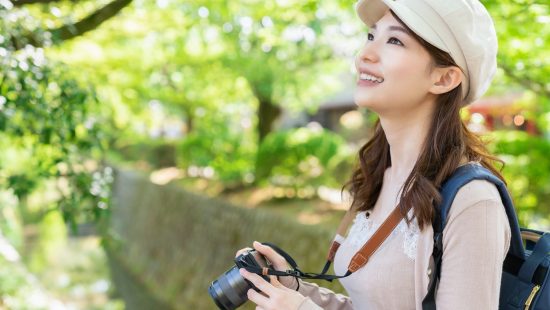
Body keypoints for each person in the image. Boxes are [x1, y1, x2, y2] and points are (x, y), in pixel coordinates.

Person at [236, 0, 511, 309]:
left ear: (444, 78)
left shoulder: (473, 202)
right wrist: (294, 288)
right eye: (371, 36)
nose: (363, 56)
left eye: (394, 40)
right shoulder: (381, 175)